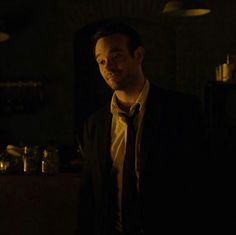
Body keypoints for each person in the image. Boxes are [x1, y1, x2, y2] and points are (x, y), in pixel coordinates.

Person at [76, 22, 210, 235]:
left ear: (138, 55)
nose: (108, 68)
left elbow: (200, 181)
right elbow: (90, 192)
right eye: (101, 61)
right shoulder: (95, 123)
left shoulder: (181, 110)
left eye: (116, 57)